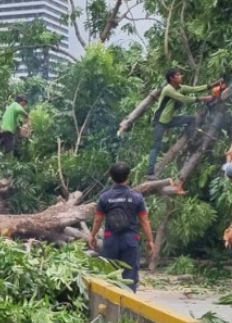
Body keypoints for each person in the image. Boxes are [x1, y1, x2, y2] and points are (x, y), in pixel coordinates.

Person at [88, 162, 154, 292]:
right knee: (130, 274)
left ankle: (110, 304)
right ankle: (126, 307)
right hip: (130, 239)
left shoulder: (104, 197)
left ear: (111, 177)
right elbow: (144, 220)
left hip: (110, 239)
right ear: (128, 177)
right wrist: (150, 240)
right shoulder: (136, 197)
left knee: (110, 273)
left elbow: (98, 219)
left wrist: (92, 235)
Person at [147, 69, 222, 176]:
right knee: (156, 146)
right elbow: (184, 99)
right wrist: (203, 98)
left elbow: (195, 89)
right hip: (160, 121)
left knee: (191, 120)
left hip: (169, 119)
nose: (181, 76)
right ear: (172, 78)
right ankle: (150, 171)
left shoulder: (181, 88)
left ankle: (190, 140)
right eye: (178, 75)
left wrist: (214, 84)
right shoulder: (168, 89)